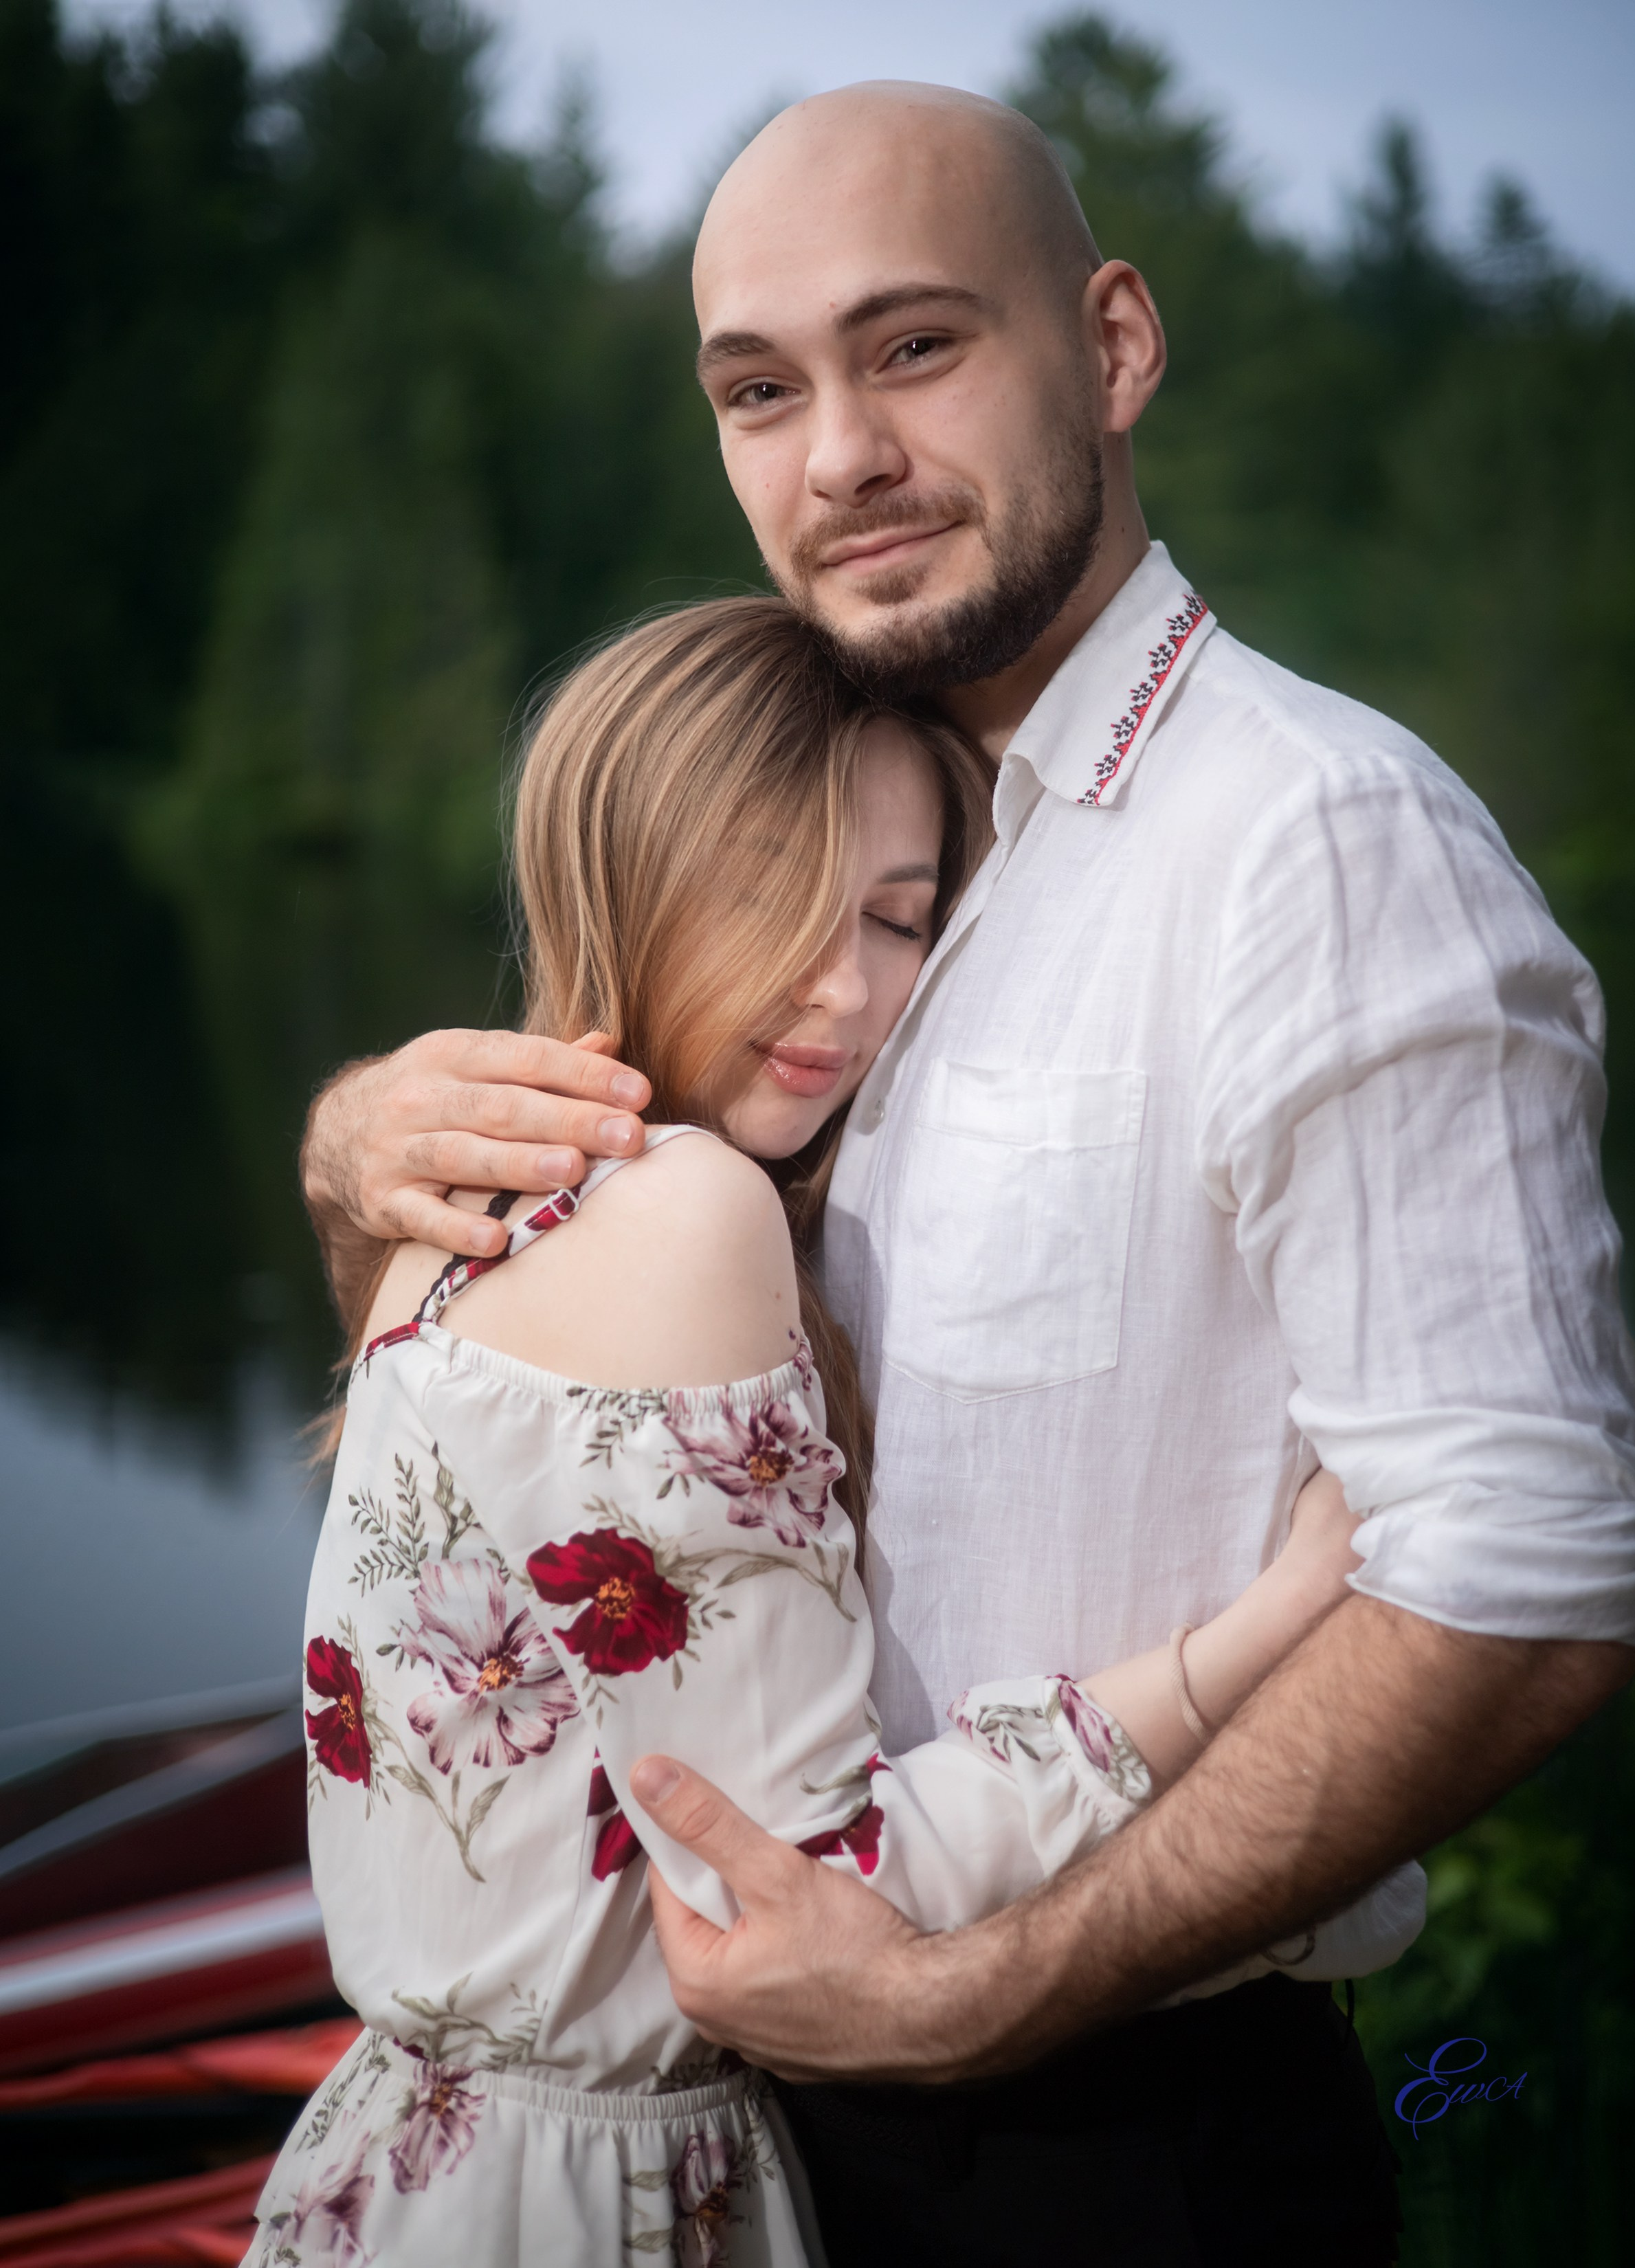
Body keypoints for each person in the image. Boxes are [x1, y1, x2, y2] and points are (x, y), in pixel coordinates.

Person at [298, 83, 1635, 2268]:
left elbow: (1527, 1568)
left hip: (1100, 2129)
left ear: (1113, 344)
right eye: (760, 389)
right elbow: (549, 1485)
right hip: (753, 2112)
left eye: (914, 346)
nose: (834, 451)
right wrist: (357, 1157)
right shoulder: (868, 824)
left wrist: (970, 1996)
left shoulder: (1303, 835)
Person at [252, 601, 1412, 2267]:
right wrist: (1265, 1632)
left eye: (896, 916)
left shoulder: (445, 1201)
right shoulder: (689, 1213)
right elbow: (805, 1889)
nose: (838, 985)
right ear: (626, 877)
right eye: (769, 895)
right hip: (600, 2199)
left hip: (406, 2159)